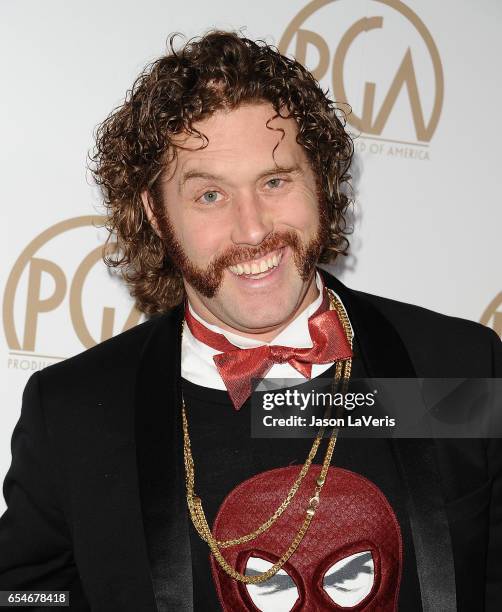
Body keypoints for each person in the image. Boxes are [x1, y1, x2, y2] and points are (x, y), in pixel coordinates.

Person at [0, 30, 500, 612]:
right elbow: (24, 593)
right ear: (156, 215)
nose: (254, 228)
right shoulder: (77, 410)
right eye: (210, 195)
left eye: (275, 181)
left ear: (321, 183)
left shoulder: (457, 365)